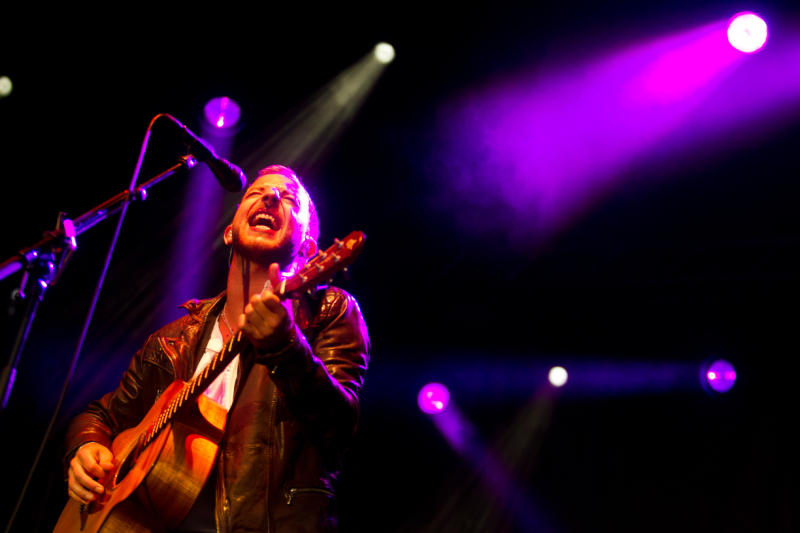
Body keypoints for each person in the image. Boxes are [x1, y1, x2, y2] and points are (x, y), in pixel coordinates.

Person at [63, 165, 370, 532]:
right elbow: (101, 415)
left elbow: (338, 426)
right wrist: (85, 446)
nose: (271, 197)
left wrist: (285, 348)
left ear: (308, 248)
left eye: (289, 198)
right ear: (229, 232)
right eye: (256, 193)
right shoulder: (171, 341)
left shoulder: (328, 311)